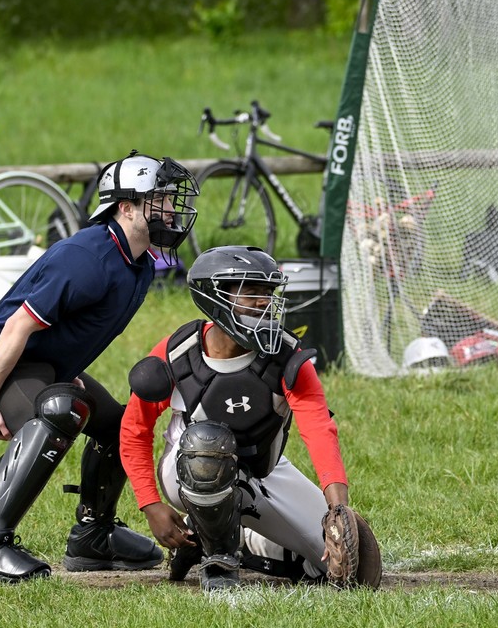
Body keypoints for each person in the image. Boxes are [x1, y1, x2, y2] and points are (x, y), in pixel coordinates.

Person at [0, 152, 197, 582]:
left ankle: (93, 536)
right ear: (125, 208)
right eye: (158, 200)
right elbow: (15, 327)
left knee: (119, 424)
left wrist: (65, 369)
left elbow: (80, 330)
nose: (170, 210)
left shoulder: (138, 264)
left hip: (40, 364)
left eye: (169, 200)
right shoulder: (88, 258)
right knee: (63, 410)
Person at [119, 245, 353, 592]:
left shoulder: (288, 356)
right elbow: (134, 429)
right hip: (190, 468)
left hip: (262, 469)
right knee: (208, 444)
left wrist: (339, 513)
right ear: (215, 297)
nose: (264, 302)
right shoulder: (177, 353)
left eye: (268, 292)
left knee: (346, 566)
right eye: (251, 291)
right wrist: (150, 504)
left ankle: (224, 540)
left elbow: (319, 429)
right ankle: (218, 560)